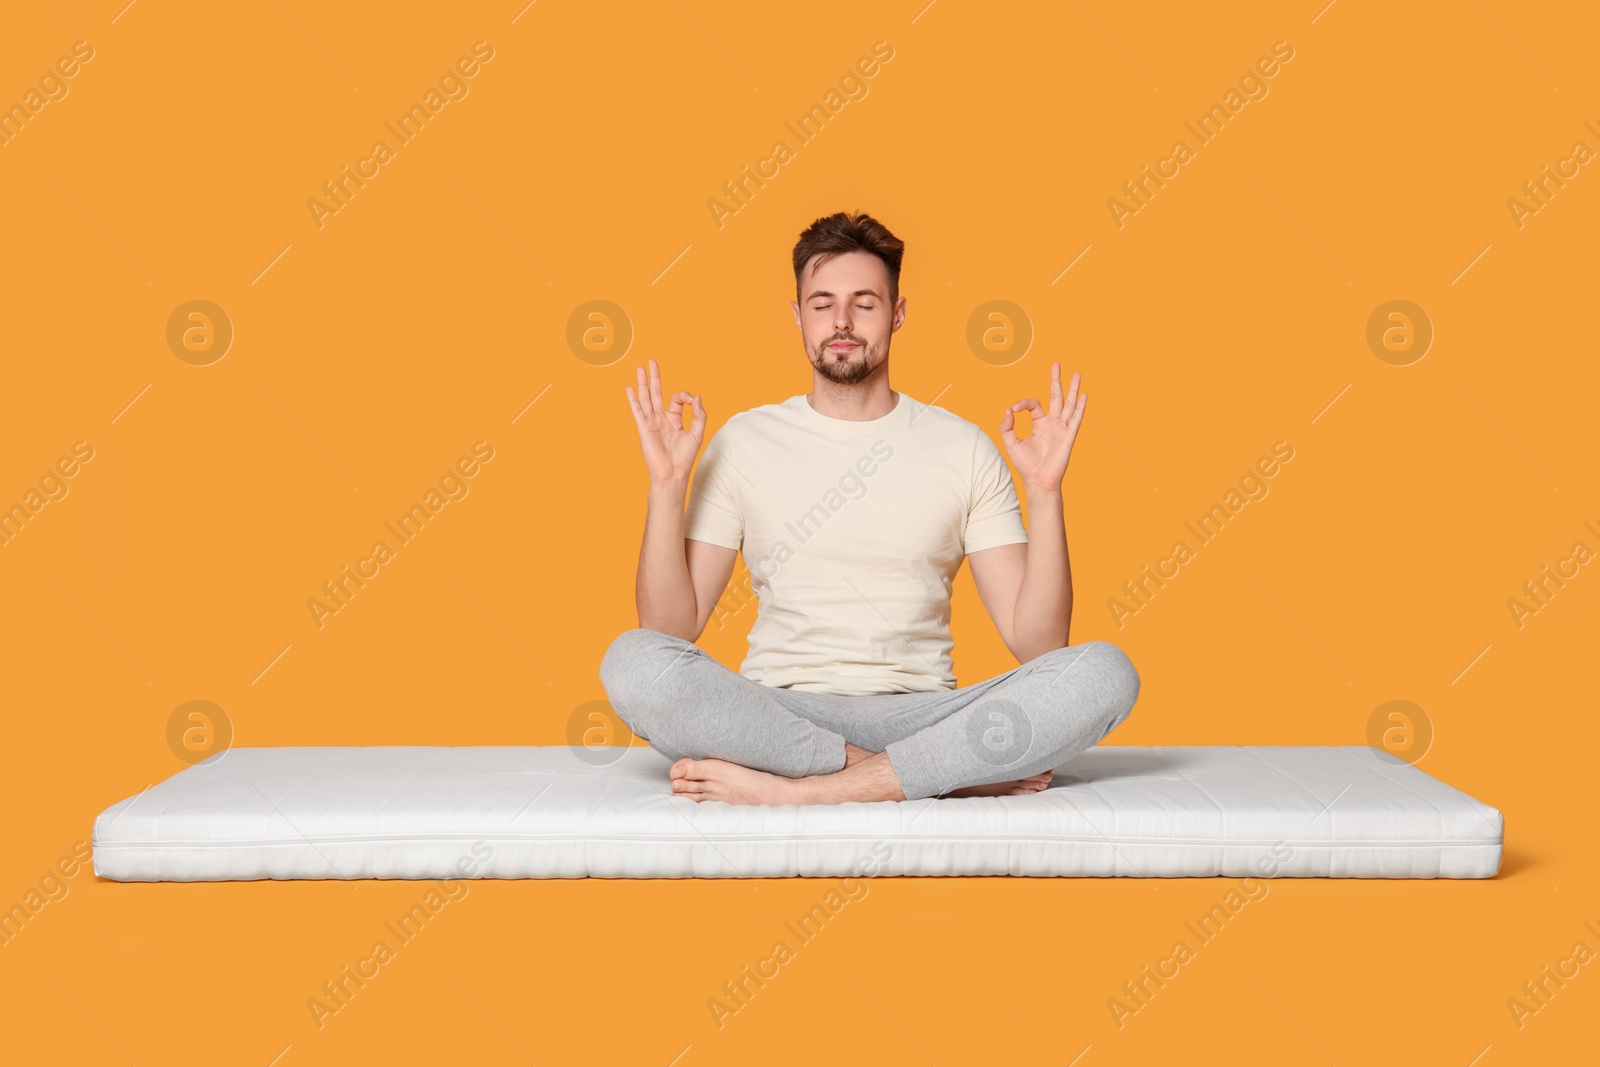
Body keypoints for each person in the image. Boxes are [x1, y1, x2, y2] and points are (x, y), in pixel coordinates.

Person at [599, 211, 1139, 806]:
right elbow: (670, 631)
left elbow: (1039, 646)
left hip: (926, 715)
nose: (843, 322)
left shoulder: (963, 448)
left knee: (1104, 673)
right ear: (798, 315)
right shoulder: (744, 441)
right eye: (823, 302)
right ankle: (927, 777)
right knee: (633, 662)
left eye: (865, 302)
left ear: (898, 313)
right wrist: (666, 485)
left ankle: (801, 792)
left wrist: (1045, 492)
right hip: (776, 716)